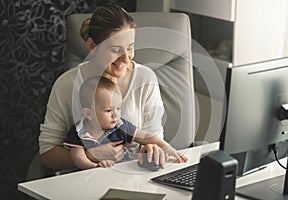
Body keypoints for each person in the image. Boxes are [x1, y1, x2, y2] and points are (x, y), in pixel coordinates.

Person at [39, 5, 168, 171]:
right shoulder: (66, 84)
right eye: (115, 49)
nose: (125, 58)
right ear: (92, 46)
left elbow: (153, 138)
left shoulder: (146, 79)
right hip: (83, 181)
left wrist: (150, 150)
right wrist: (89, 155)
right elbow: (47, 153)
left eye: (130, 47)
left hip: (133, 177)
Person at [63, 76, 187, 169]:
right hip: (92, 176)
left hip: (123, 174)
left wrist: (167, 147)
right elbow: (78, 158)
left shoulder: (121, 125)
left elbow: (145, 136)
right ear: (88, 114)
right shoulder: (79, 131)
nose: (116, 114)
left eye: (118, 108)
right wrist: (95, 166)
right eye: (108, 110)